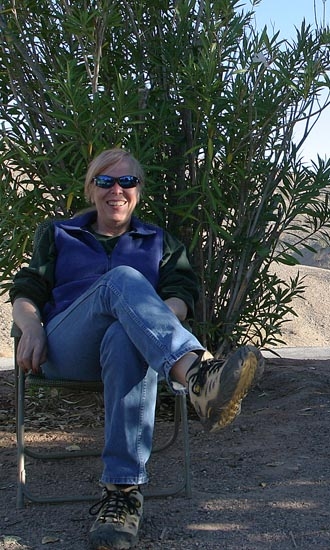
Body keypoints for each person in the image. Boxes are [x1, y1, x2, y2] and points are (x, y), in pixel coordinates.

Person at [10, 149, 262, 550]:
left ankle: (122, 496)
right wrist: (30, 327)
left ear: (139, 191)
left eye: (127, 182)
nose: (117, 190)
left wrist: (147, 324)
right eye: (106, 181)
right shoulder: (59, 233)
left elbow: (180, 296)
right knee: (120, 280)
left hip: (128, 351)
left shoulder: (160, 241)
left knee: (127, 336)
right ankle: (197, 377)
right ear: (91, 189)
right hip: (65, 346)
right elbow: (26, 291)